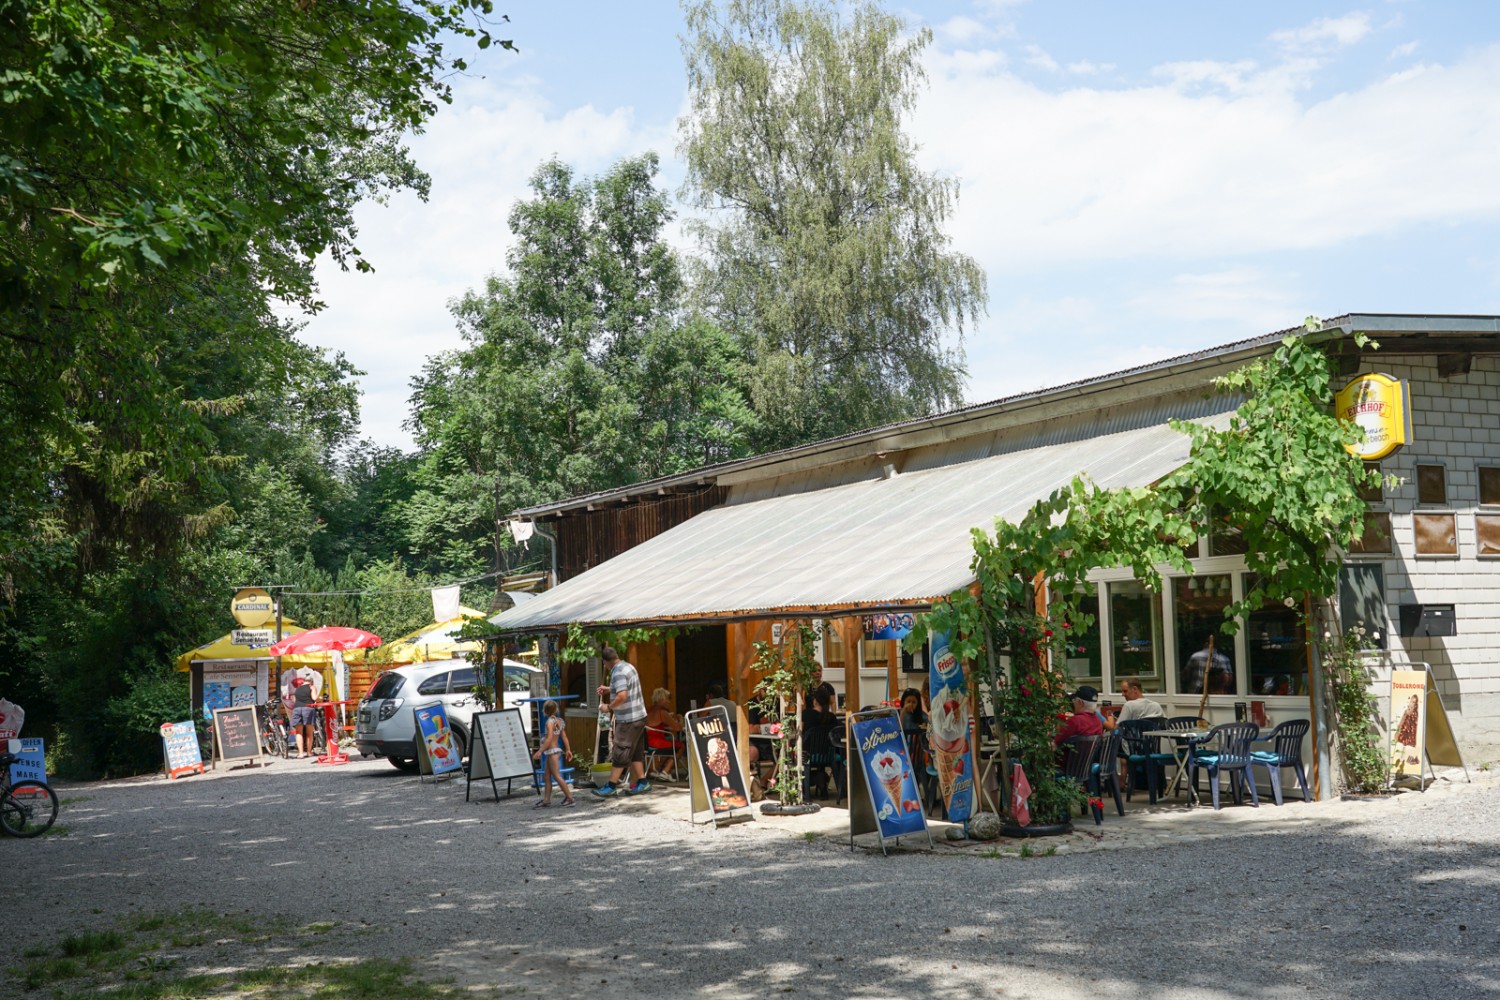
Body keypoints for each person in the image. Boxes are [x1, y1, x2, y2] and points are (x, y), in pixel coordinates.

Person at [593, 646, 650, 797]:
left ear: (605, 662)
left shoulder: (617, 672)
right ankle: (643, 782)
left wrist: (608, 707)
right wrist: (609, 689)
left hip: (628, 719)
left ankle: (611, 786)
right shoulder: (628, 666)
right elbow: (625, 688)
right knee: (635, 750)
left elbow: (622, 696)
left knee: (620, 751)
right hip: (639, 716)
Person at [532, 700, 576, 807]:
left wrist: (540, 751)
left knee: (556, 776)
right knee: (547, 776)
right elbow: (564, 736)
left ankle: (570, 797)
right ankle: (546, 800)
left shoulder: (549, 723)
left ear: (545, 711)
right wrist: (568, 750)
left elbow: (549, 738)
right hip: (556, 751)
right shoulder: (559, 721)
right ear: (556, 710)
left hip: (551, 752)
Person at [644, 688, 685, 778]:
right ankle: (666, 771)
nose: (669, 702)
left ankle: (658, 769)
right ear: (661, 700)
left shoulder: (648, 710)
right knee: (681, 746)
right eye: (667, 699)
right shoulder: (662, 712)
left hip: (647, 742)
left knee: (670, 741)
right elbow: (677, 728)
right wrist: (681, 719)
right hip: (656, 742)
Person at [288, 676, 319, 758]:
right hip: (308, 708)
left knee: (298, 732)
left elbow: (295, 700)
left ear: (304, 681)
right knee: (309, 732)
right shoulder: (311, 687)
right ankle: (309, 752)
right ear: (311, 681)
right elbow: (314, 698)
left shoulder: (298, 689)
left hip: (297, 709)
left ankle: (301, 753)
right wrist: (320, 698)